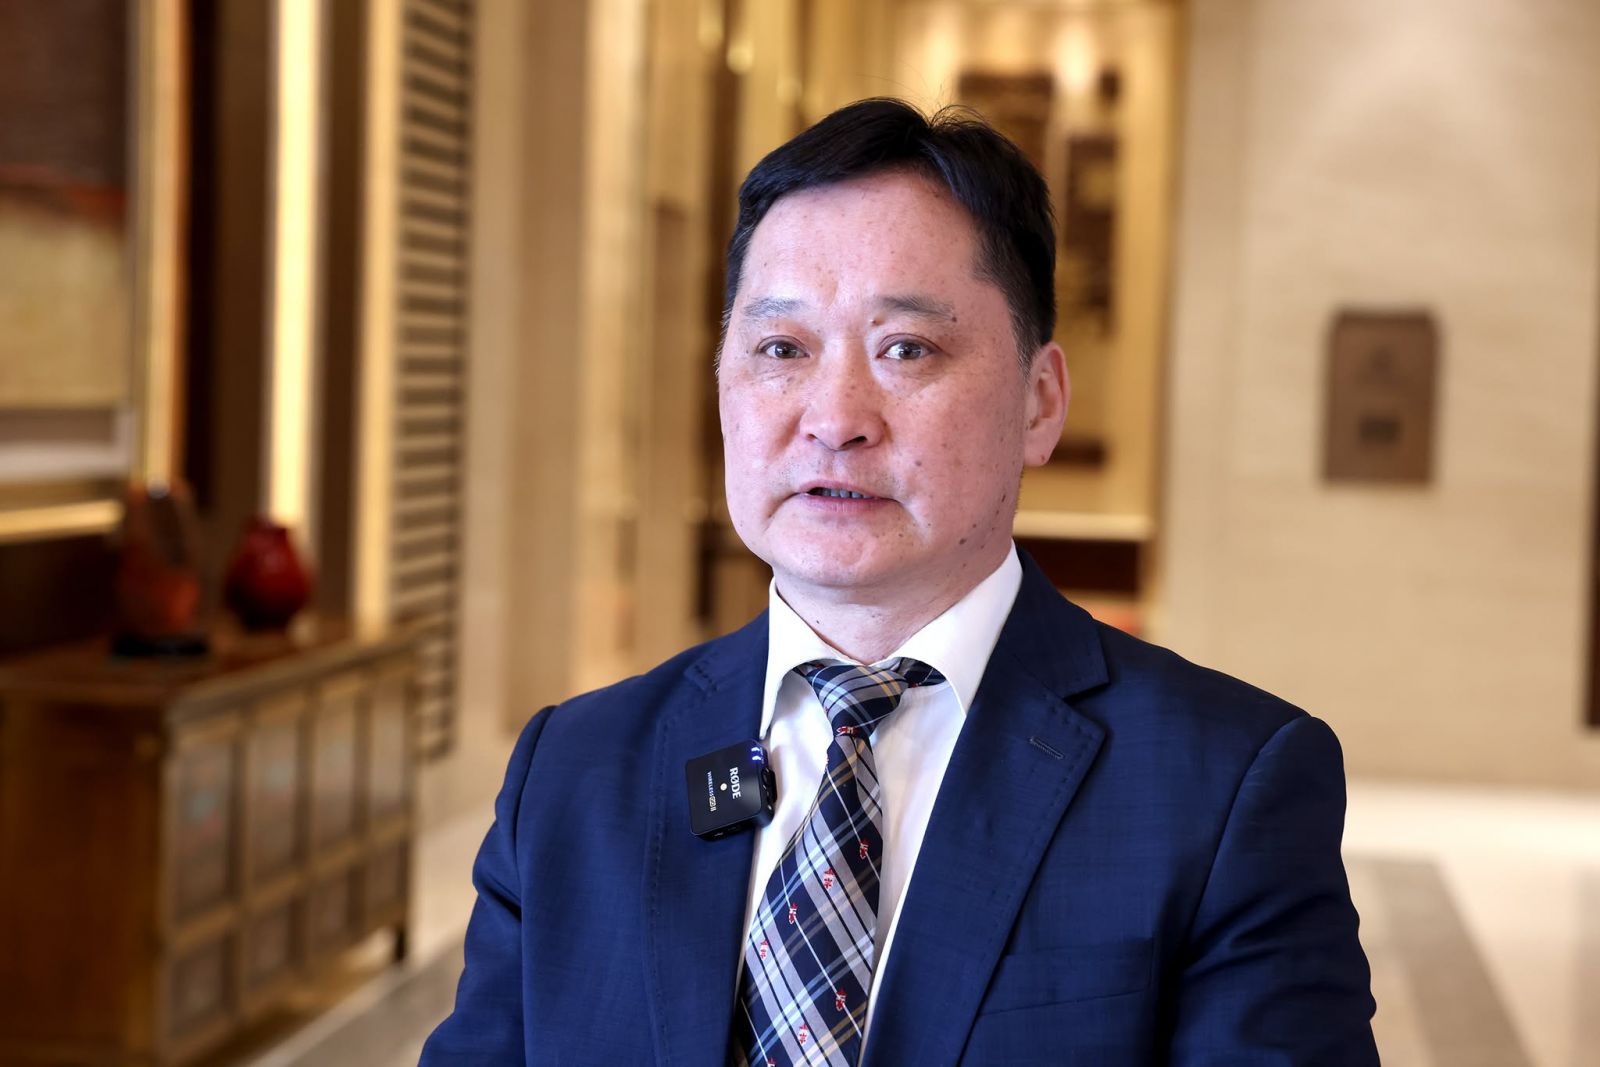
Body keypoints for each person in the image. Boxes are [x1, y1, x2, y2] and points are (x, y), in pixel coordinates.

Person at [421, 98, 1378, 1066]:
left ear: (1040, 401)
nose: (835, 418)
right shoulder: (573, 772)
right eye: (782, 349)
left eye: (906, 349)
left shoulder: (1223, 787)